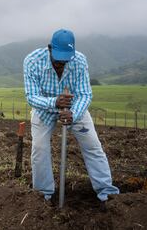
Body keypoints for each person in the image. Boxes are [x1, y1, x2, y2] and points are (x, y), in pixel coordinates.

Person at [23, 29, 119, 206]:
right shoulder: (32, 61)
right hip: (44, 108)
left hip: (74, 109)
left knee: (93, 146)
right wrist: (55, 102)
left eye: (66, 60)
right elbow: (31, 96)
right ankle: (43, 194)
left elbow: (84, 94)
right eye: (58, 60)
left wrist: (73, 113)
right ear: (50, 48)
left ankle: (107, 193)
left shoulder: (79, 60)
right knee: (39, 148)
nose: (62, 64)